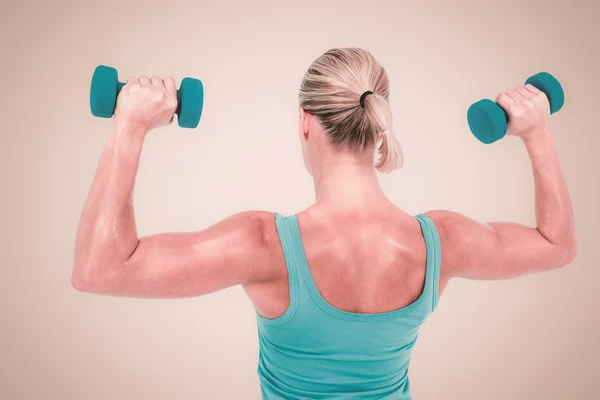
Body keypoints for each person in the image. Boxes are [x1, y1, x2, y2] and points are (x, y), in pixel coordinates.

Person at [73, 48, 577, 399]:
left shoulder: (262, 244)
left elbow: (99, 270)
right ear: (379, 123)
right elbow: (556, 245)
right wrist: (537, 132)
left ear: (305, 121)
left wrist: (131, 124)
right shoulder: (440, 242)